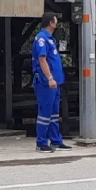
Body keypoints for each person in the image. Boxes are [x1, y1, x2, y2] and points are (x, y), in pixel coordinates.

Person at [31, 13, 69, 152]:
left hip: (55, 82)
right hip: (46, 82)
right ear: (51, 23)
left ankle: (56, 140)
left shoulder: (50, 39)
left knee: (54, 113)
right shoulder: (42, 39)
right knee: (45, 112)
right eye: (55, 20)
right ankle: (41, 142)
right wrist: (50, 78)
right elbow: (42, 60)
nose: (57, 22)